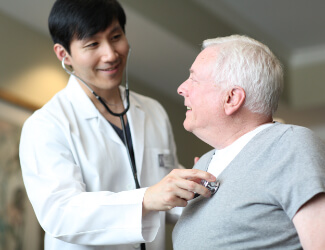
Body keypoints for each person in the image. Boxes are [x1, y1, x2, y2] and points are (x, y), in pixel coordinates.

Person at [18, 1, 216, 250]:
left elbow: (164, 195)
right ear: (64, 54)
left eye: (116, 36)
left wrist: (193, 190)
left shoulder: (153, 111)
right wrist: (145, 199)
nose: (111, 54)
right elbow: (61, 215)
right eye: (92, 44)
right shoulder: (46, 125)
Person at [172, 34, 325, 249]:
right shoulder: (204, 163)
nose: (181, 88)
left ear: (231, 99)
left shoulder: (291, 145)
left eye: (194, 80)